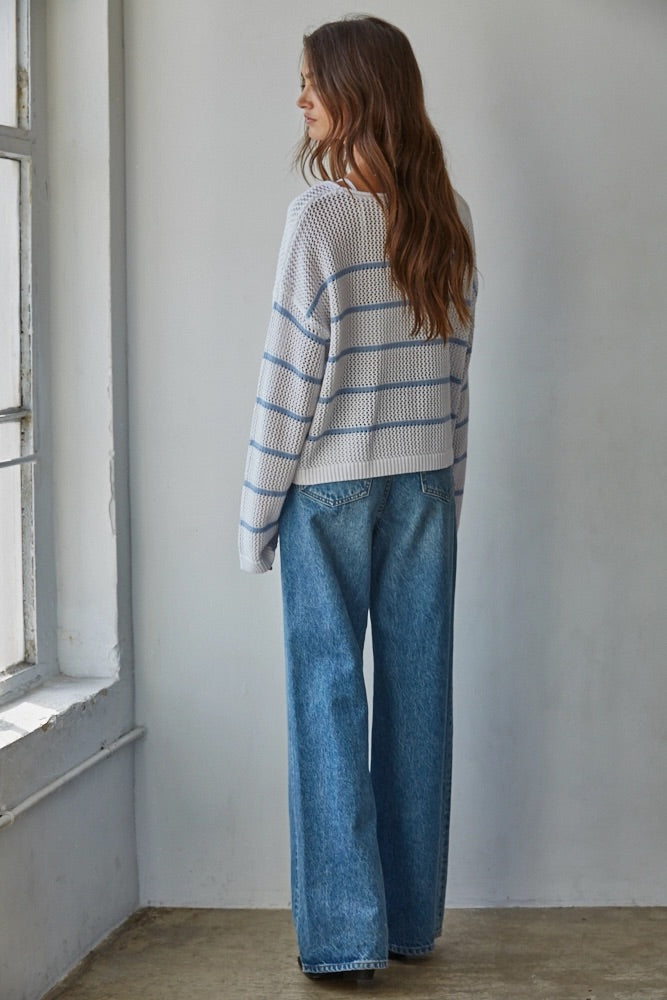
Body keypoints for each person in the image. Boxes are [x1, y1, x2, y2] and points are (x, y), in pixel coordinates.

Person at [239, 14, 477, 983]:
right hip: (423, 480)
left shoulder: (320, 217)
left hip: (329, 492)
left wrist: (255, 516)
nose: (300, 99)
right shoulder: (447, 212)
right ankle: (410, 923)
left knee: (328, 705)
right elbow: (459, 372)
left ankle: (344, 939)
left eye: (311, 82)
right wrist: (447, 488)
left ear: (354, 93)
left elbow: (286, 380)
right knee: (419, 703)